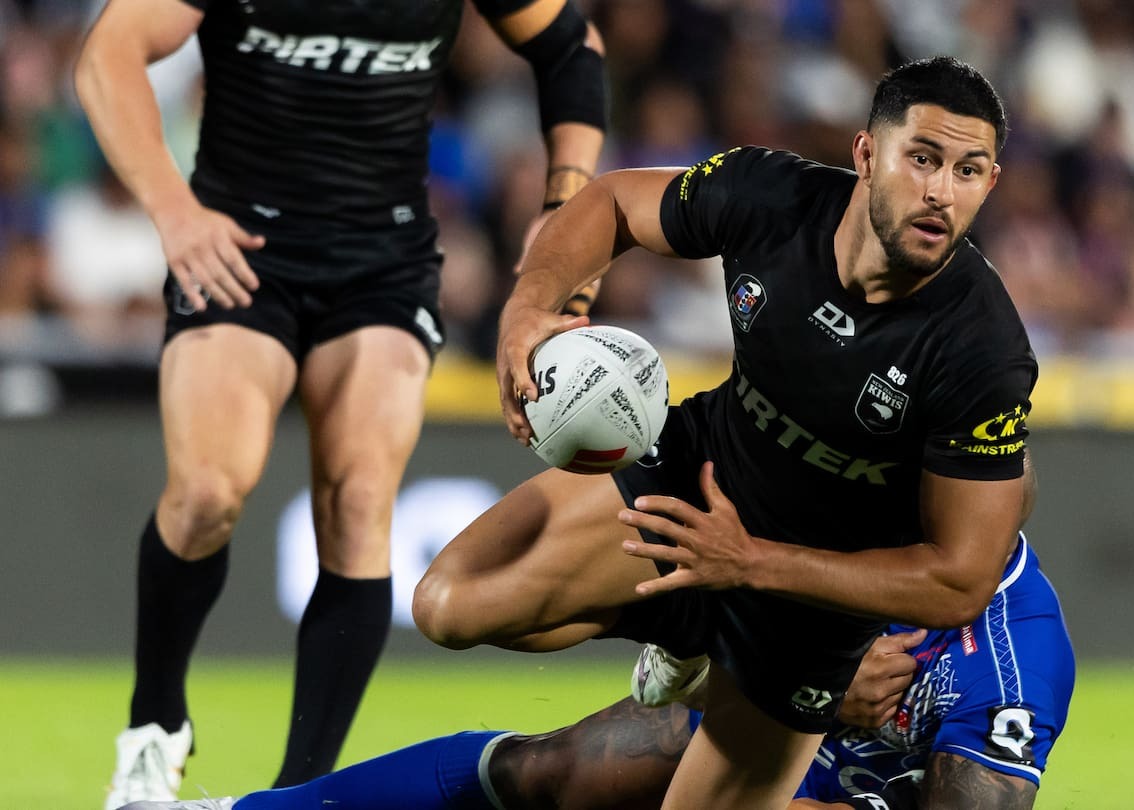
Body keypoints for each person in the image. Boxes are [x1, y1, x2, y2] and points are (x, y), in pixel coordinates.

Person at [410, 56, 1037, 810]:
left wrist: (748, 562)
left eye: (968, 171)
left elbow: (961, 578)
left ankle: (724, 673)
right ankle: (694, 646)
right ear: (868, 155)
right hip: (694, 483)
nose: (941, 191)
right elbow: (614, 202)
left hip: (810, 614)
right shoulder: (769, 196)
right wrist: (530, 309)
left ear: (991, 183)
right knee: (447, 605)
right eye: (924, 158)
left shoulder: (983, 351)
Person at [73, 0, 607, 805]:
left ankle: (300, 794)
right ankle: (154, 725)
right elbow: (108, 53)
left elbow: (572, 47)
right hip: (236, 251)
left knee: (360, 506)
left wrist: (564, 206)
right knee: (207, 494)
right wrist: (173, 210)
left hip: (382, 264)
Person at [119, 536, 1075, 809]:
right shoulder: (845, 522)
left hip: (849, 792)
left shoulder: (1011, 666)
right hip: (781, 721)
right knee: (549, 770)